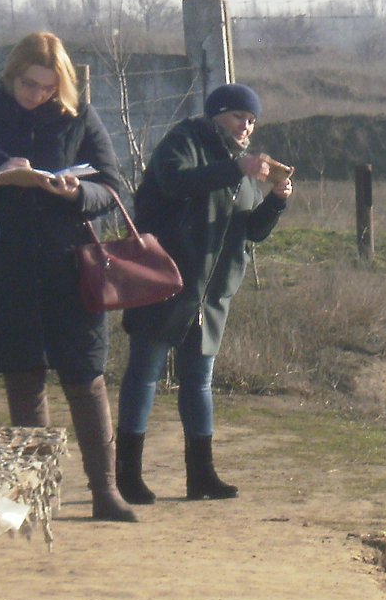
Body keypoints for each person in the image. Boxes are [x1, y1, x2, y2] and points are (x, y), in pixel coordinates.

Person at [0, 31, 137, 521]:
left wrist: (73, 194)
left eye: (47, 87)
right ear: (11, 75)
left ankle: (105, 492)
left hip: (71, 266)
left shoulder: (79, 118)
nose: (36, 94)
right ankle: (38, 497)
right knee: (24, 379)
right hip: (4, 268)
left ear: (61, 84)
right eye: (29, 84)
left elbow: (112, 188)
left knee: (86, 376)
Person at [116, 83, 291, 503]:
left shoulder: (243, 166)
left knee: (199, 382)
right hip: (166, 281)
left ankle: (201, 477)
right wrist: (239, 169)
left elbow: (251, 232)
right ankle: (126, 476)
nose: (245, 127)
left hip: (212, 296)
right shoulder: (184, 141)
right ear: (217, 115)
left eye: (251, 121)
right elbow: (175, 184)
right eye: (238, 118)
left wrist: (276, 202)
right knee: (144, 376)